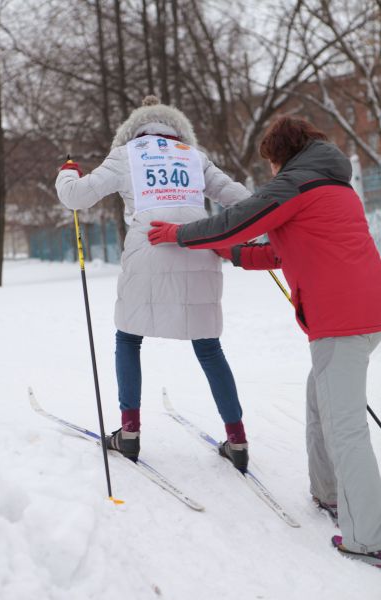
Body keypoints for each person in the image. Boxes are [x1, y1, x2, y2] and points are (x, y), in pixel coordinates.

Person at [148, 115, 381, 567]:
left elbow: (236, 220)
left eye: (270, 162)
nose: (271, 171)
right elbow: (278, 250)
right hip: (363, 313)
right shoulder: (334, 187)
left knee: (344, 425)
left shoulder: (295, 183)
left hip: (341, 319)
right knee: (321, 400)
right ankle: (331, 494)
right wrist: (227, 253)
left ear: (280, 155)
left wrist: (180, 234)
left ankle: (368, 535)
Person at [55, 96, 251, 471]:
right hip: (198, 247)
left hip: (148, 252)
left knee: (128, 337)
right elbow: (240, 199)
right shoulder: (194, 156)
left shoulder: (126, 154)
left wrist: (68, 171)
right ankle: (238, 438)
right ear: (177, 129)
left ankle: (128, 433)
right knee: (209, 347)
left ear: (135, 128)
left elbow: (75, 197)